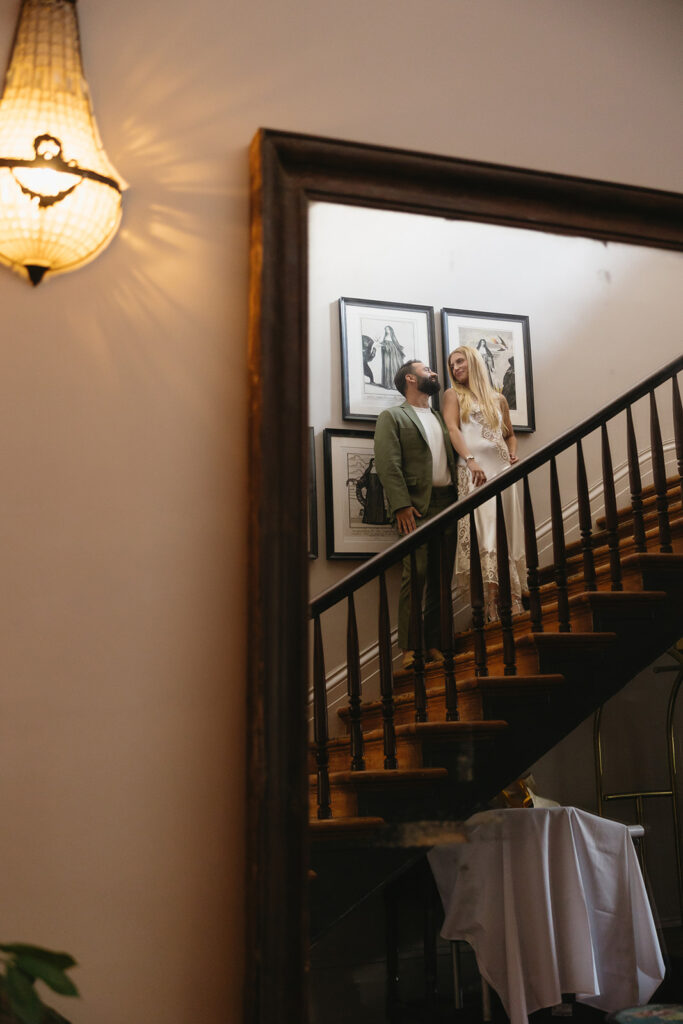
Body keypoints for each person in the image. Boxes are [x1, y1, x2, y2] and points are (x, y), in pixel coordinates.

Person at [373, 360, 458, 669]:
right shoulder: (393, 416)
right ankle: (410, 648)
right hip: (415, 507)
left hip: (449, 502)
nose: (433, 373)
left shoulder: (440, 417)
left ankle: (436, 642)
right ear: (410, 378)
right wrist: (400, 504)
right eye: (426, 370)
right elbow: (387, 463)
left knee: (441, 576)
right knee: (416, 573)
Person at [442, 345, 526, 621]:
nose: (455, 369)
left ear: (474, 361)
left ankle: (513, 598)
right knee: (486, 532)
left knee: (507, 530)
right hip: (476, 473)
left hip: (503, 471)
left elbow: (509, 435)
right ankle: (492, 603)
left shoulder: (498, 398)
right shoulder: (452, 395)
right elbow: (453, 428)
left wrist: (512, 453)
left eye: (459, 362)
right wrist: (469, 459)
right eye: (452, 365)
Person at [380, 325, 405, 390]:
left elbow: (395, 344)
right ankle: (388, 384)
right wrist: (382, 344)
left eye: (387, 329)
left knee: (393, 366)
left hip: (392, 353)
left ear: (390, 330)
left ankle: (394, 385)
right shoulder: (385, 336)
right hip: (387, 353)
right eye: (385, 329)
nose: (386, 330)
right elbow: (384, 344)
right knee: (387, 367)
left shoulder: (392, 336)